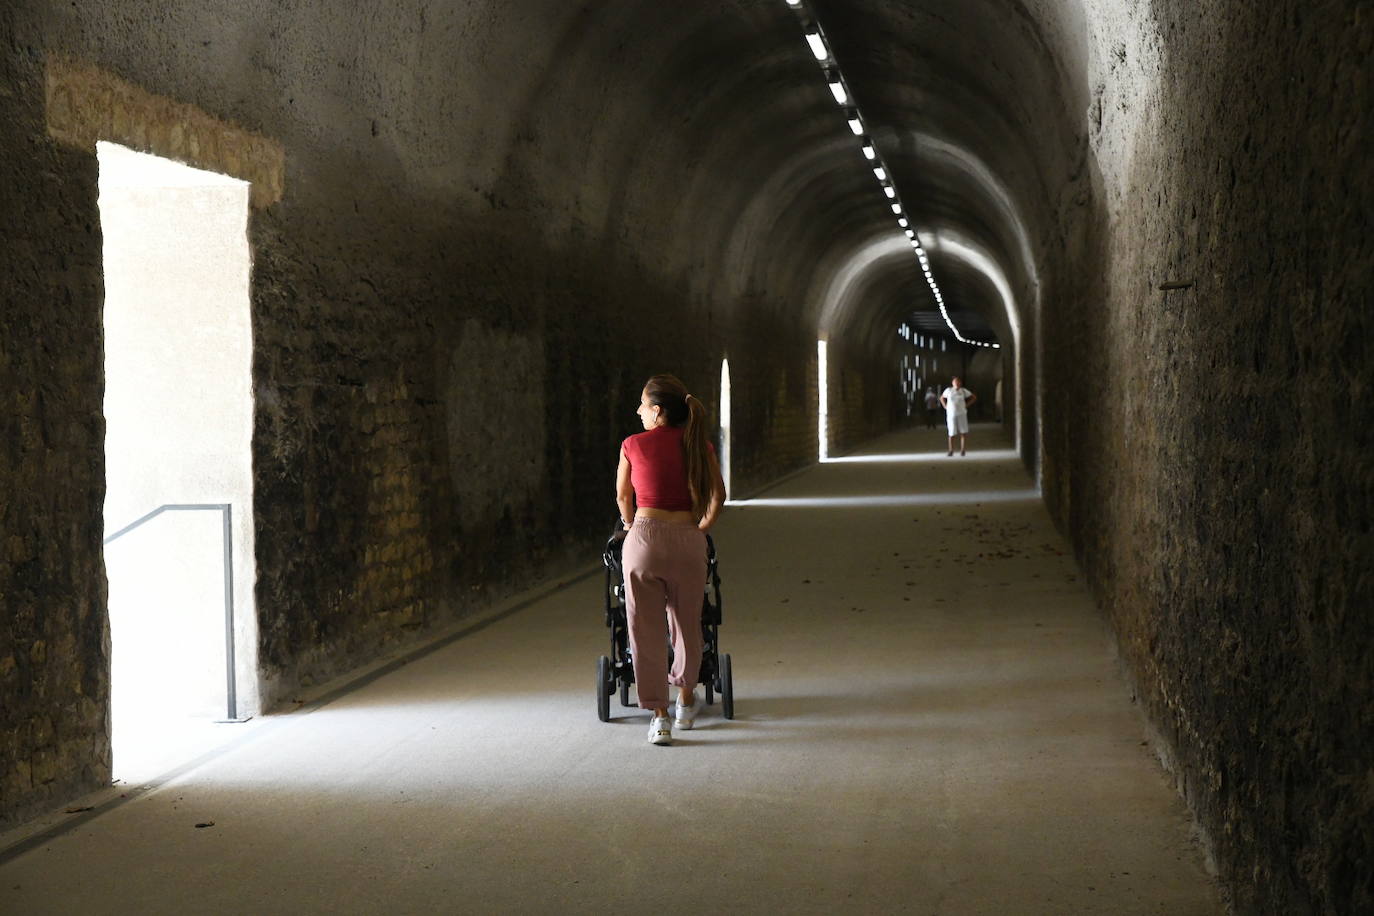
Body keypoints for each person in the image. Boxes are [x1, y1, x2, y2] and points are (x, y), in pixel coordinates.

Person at [616, 374, 727, 746]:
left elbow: (622, 497)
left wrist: (633, 526)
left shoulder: (633, 444)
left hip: (644, 538)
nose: (638, 411)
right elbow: (718, 497)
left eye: (642, 405)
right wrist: (700, 529)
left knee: (644, 630)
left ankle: (659, 717)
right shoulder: (700, 447)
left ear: (657, 411)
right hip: (687, 541)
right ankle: (684, 700)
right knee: (687, 624)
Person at [940, 375, 977, 456]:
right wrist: (945, 406)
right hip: (951, 414)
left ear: (960, 383)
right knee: (951, 432)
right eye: (955, 381)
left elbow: (973, 397)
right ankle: (951, 450)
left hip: (962, 414)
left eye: (958, 381)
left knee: (963, 432)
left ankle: (963, 450)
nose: (957, 383)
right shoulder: (949, 390)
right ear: (952, 383)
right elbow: (942, 398)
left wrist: (966, 405)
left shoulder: (963, 391)